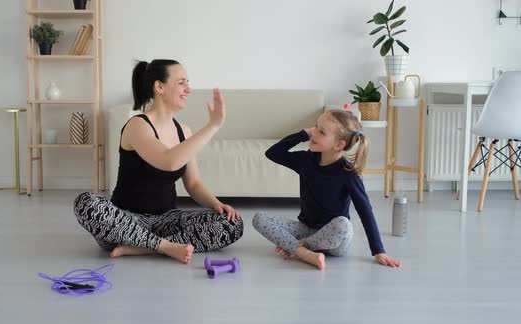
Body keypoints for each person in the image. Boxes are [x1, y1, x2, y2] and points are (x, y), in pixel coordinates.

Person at [74, 59, 243, 264]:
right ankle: (164, 246)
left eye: (188, 82)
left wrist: (217, 205)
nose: (188, 89)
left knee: (232, 223)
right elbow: (168, 161)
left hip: (166, 220)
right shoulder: (137, 126)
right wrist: (212, 126)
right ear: (159, 86)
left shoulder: (184, 131)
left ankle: (143, 248)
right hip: (126, 222)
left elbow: (194, 183)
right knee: (86, 203)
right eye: (181, 82)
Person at [252, 109, 400, 269]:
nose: (313, 133)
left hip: (334, 241)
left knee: (343, 224)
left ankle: (299, 248)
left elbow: (365, 210)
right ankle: (306, 253)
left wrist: (379, 251)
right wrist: (303, 133)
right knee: (259, 218)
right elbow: (273, 153)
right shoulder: (306, 160)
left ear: (339, 145)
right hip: (306, 229)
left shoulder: (348, 173)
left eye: (321, 132)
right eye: (315, 127)